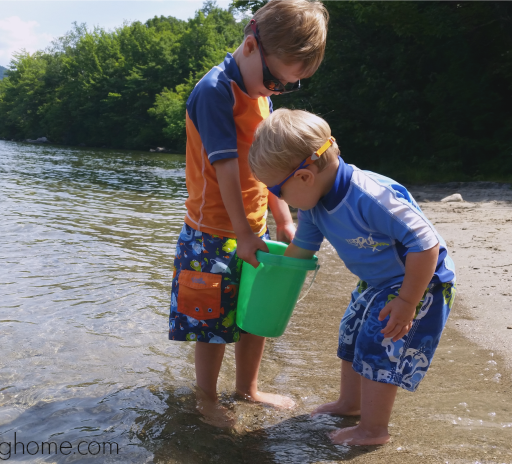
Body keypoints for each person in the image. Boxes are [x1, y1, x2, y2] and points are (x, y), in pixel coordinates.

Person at [248, 108, 457, 444]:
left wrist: (407, 301)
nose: (278, 199)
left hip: (421, 281)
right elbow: (301, 250)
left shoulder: (369, 196)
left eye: (277, 191)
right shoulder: (315, 204)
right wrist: (266, 278)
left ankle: (374, 430)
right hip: (376, 282)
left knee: (380, 343)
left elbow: (426, 244)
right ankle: (351, 404)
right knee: (352, 332)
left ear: (304, 177)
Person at [168, 0, 329, 425]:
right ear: (252, 45)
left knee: (257, 311)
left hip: (250, 227)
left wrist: (283, 217)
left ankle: (248, 388)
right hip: (210, 231)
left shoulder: (261, 97)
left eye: (288, 87)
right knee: (212, 322)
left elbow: (268, 168)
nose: (276, 90)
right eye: (277, 80)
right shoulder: (215, 91)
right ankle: (205, 398)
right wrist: (241, 233)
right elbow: (225, 169)